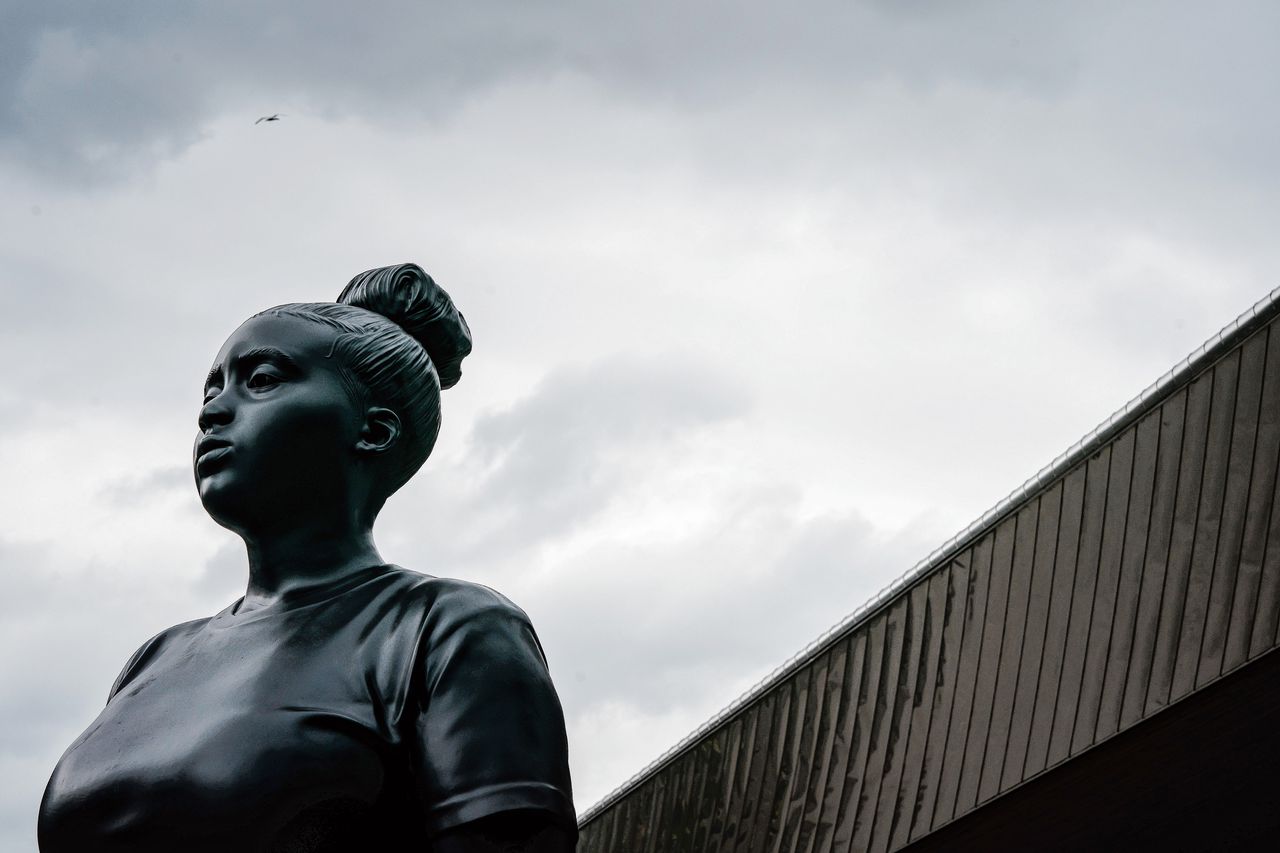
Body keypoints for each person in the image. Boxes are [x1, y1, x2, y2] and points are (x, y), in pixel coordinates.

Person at [38, 264, 576, 852]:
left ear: (373, 430)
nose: (212, 413)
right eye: (211, 388)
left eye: (262, 380)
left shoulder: (447, 629)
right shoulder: (155, 659)